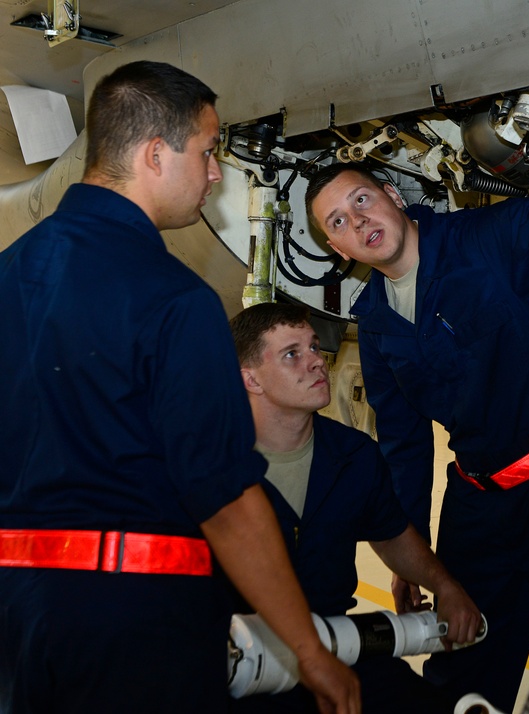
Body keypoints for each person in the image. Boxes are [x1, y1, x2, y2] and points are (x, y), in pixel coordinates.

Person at [0, 61, 358, 714]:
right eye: (209, 150)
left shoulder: (8, 274)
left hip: (16, 624)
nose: (216, 172)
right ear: (155, 155)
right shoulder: (174, 299)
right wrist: (309, 649)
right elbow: (225, 500)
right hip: (136, 629)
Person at [304, 148, 529, 710]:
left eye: (361, 199)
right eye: (338, 221)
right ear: (337, 249)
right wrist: (408, 554)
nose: (357, 221)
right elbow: (404, 445)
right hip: (481, 506)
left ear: (392, 194)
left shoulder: (483, 239)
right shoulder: (378, 323)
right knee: (462, 671)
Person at [227, 301, 483, 714]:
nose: (315, 362)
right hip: (241, 660)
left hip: (333, 642)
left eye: (314, 348)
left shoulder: (353, 455)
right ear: (250, 379)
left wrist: (446, 586)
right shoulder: (212, 465)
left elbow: (392, 534)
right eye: (293, 354)